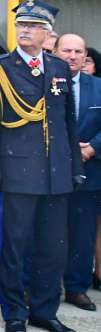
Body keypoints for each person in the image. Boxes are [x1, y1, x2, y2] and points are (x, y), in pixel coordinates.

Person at [0, 0, 84, 332]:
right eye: (21, 25)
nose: (25, 30)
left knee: (53, 248)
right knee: (14, 247)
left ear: (47, 33)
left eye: (33, 26)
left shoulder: (57, 68)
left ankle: (44, 311)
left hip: (56, 174)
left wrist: (72, 167)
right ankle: (14, 313)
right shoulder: (1, 68)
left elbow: (67, 122)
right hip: (18, 173)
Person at [55, 33, 101, 312]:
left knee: (83, 234)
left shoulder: (98, 86)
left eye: (78, 51)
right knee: (47, 233)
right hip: (51, 172)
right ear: (56, 53)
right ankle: (42, 285)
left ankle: (76, 288)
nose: (72, 56)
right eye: (67, 50)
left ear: (86, 56)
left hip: (89, 171)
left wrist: (92, 149)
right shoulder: (43, 82)